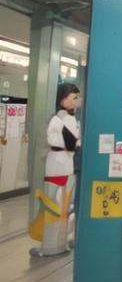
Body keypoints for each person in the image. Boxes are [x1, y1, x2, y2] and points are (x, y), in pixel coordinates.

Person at [32, 83, 81, 256]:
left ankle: (54, 245)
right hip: (60, 167)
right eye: (74, 97)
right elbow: (70, 143)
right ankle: (54, 245)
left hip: (61, 167)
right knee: (57, 205)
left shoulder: (65, 118)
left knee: (58, 206)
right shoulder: (61, 118)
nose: (77, 101)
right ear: (63, 99)